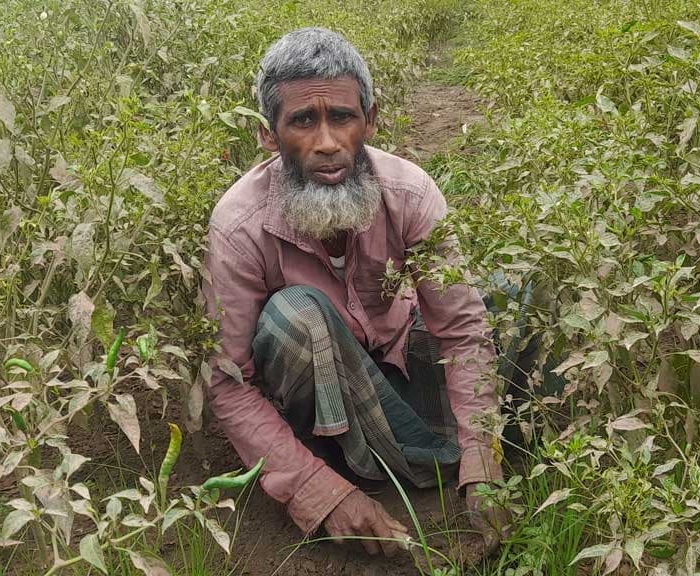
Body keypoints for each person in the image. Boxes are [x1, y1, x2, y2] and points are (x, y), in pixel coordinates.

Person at [201, 27, 506, 560]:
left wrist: (484, 464)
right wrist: (319, 494)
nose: (326, 142)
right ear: (268, 135)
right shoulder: (238, 226)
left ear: (370, 118)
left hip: (397, 362)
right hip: (309, 402)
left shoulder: (409, 191)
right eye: (302, 121)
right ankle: (347, 457)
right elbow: (228, 383)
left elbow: (461, 332)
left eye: (342, 116)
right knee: (296, 315)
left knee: (513, 301)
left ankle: (425, 448)